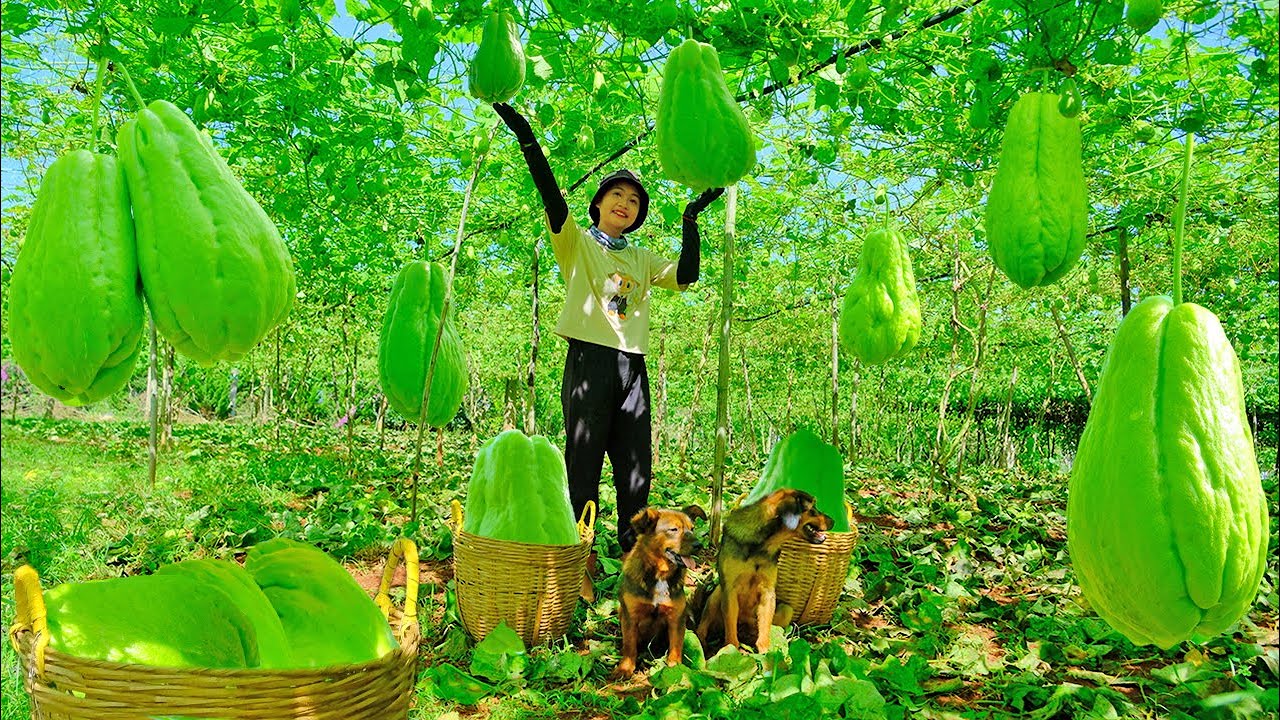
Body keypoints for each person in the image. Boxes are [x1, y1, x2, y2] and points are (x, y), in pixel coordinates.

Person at [491, 101, 724, 573]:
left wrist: (691, 218)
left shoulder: (641, 257)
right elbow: (552, 197)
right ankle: (579, 553)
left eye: (634, 200)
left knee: (635, 468)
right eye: (616, 194)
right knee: (584, 463)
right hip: (589, 363)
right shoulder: (575, 244)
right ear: (598, 203)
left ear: (637, 215)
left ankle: (632, 553)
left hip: (631, 367)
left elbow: (688, 274)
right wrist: (526, 134)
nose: (625, 202)